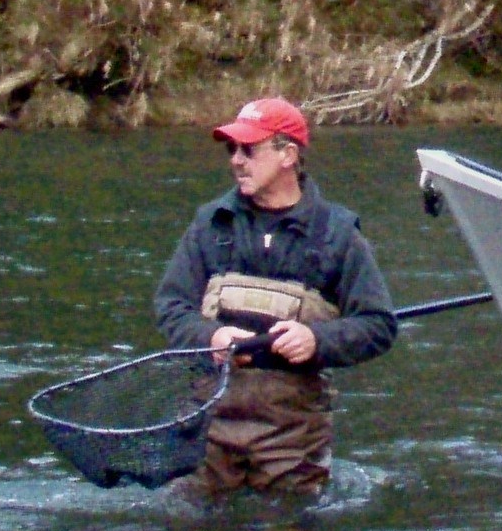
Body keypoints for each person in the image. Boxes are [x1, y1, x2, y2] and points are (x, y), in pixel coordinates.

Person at [153, 96, 398, 497]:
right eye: (232, 149)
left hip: (292, 440)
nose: (236, 160)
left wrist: (317, 340)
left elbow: (378, 325)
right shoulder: (210, 224)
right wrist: (209, 338)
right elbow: (172, 308)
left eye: (248, 149)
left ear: (288, 155)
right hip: (206, 431)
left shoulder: (338, 235)